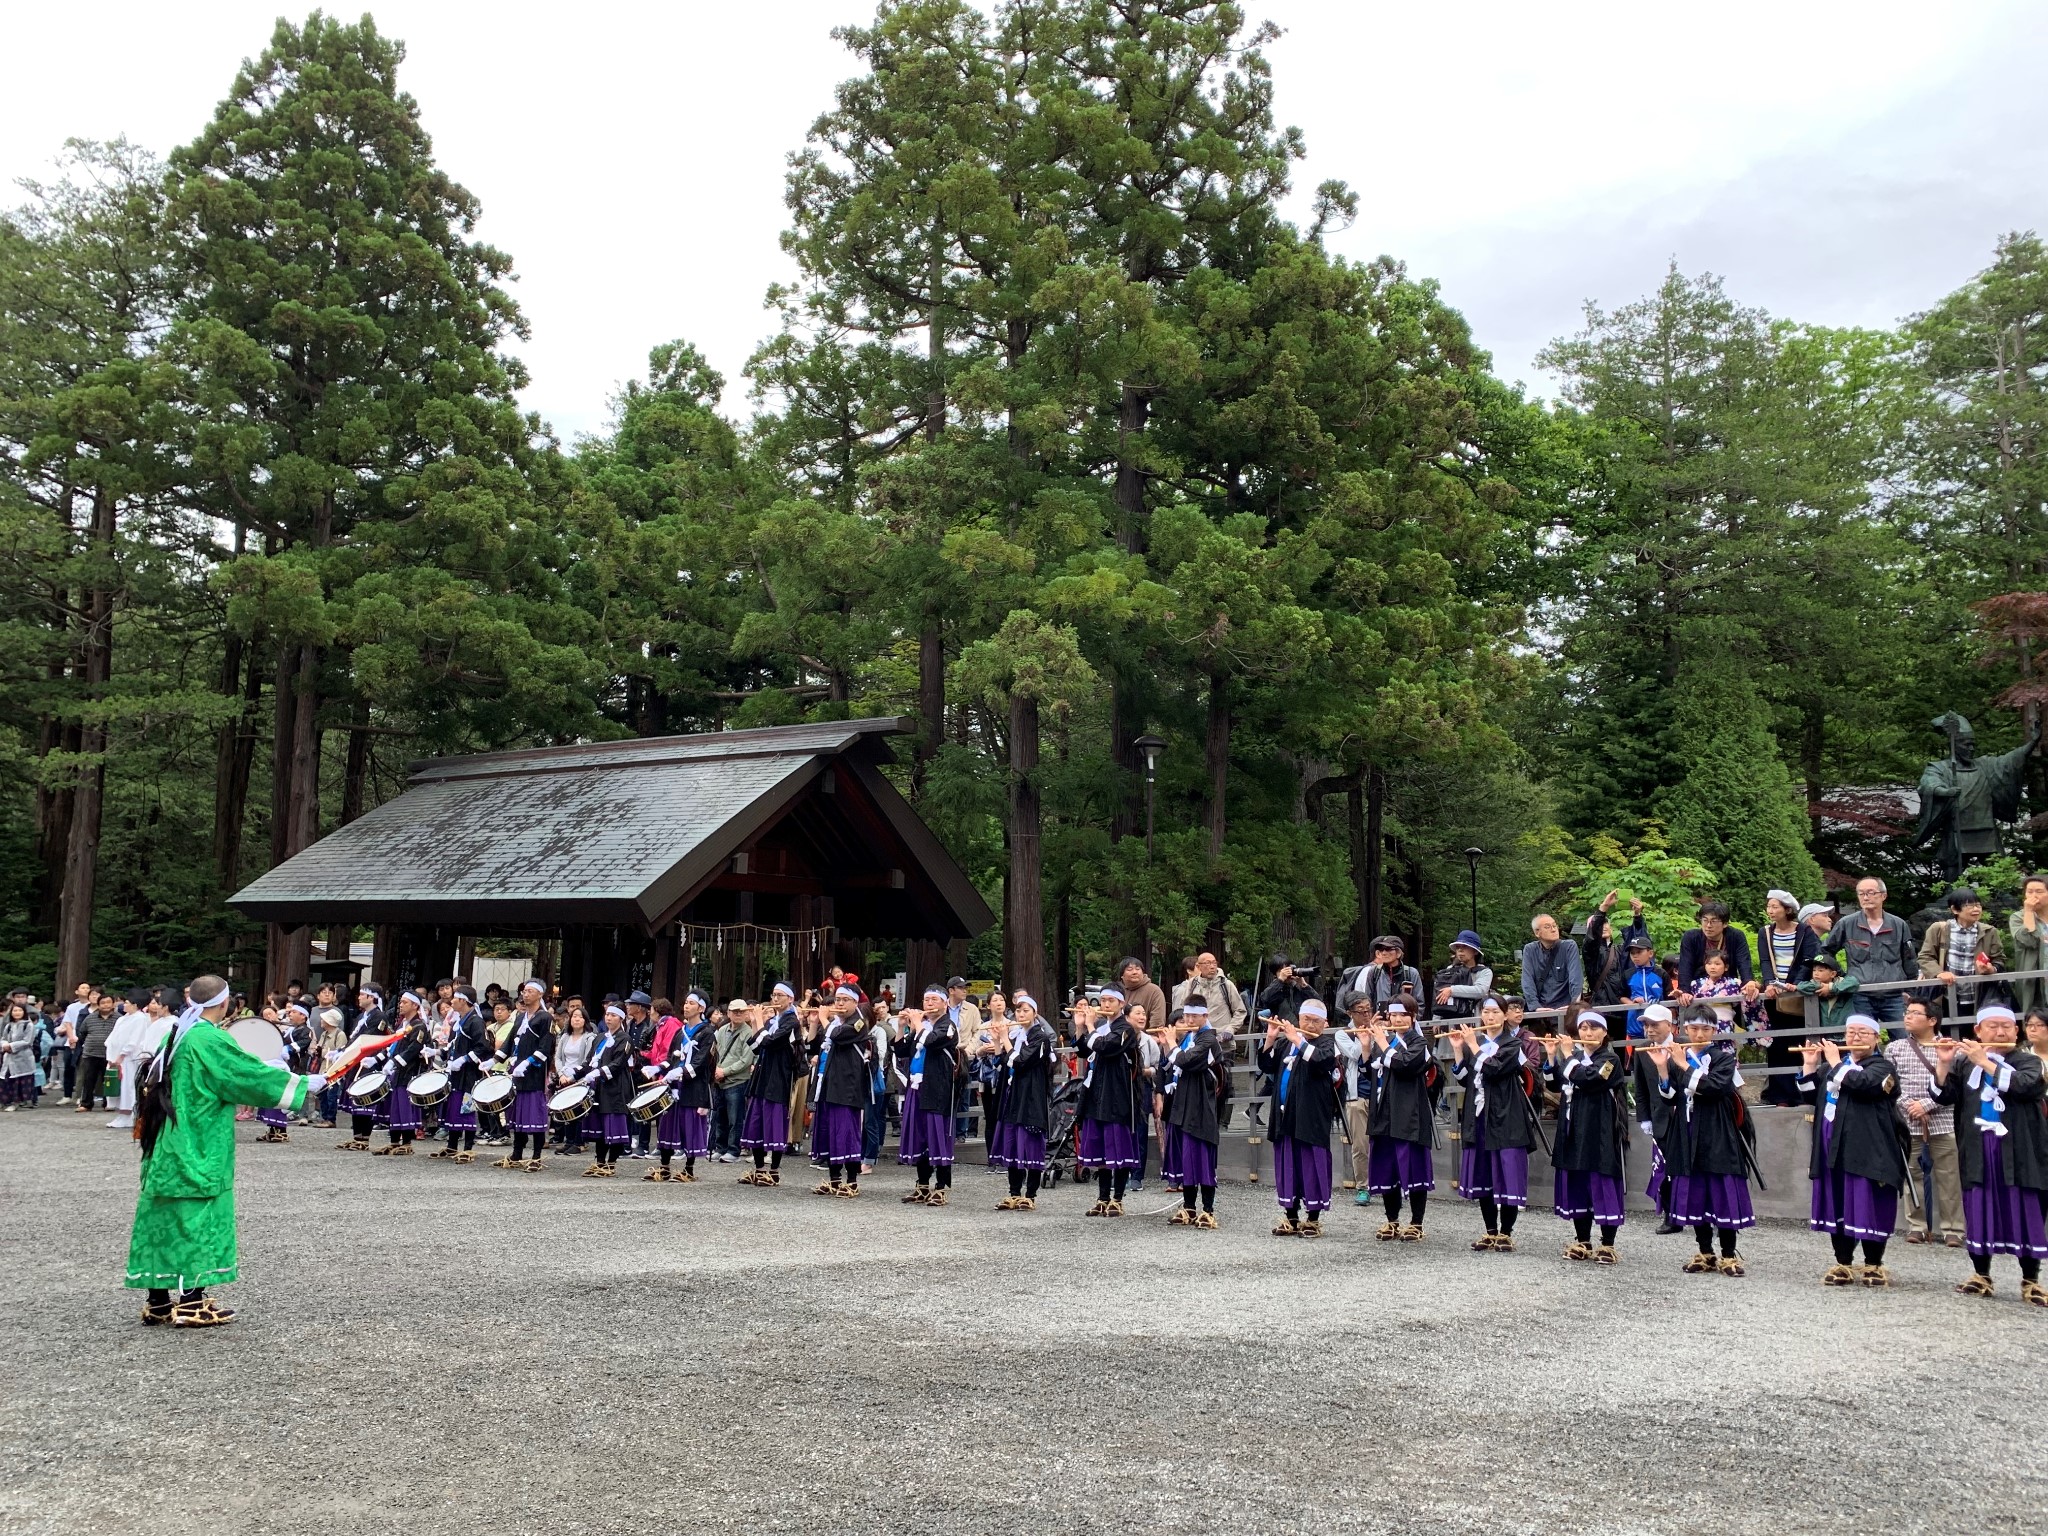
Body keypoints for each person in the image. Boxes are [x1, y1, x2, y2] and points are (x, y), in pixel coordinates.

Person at [126, 975, 325, 1327]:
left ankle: (157, 1301)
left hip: (167, 1138)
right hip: (198, 1141)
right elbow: (244, 1077)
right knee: (196, 1218)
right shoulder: (209, 1039)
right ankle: (191, 1303)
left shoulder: (179, 1034)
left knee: (162, 1218)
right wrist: (303, 1084)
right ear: (225, 1002)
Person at [1932, 1002, 2048, 1304]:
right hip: (1978, 1146)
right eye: (1992, 1026)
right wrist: (1944, 1064)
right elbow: (1944, 1096)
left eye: (2006, 1026)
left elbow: (2026, 1086)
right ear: (1978, 1031)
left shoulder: (2028, 1061)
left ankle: (2030, 1279)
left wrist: (1986, 1061)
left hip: (2018, 1148)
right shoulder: (1964, 1062)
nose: (1999, 1031)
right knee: (1979, 1205)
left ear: (2016, 1030)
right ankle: (1981, 1274)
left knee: (2024, 1207)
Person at [1796, 1015, 1907, 1288]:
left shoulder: (1883, 1067)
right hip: (1831, 1148)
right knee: (1838, 1204)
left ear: (1875, 1038)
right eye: (1850, 1032)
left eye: (1863, 1033)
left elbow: (1866, 1085)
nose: (1855, 1038)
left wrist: (1834, 1063)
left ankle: (1873, 1264)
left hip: (1869, 1149)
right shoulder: (1831, 1069)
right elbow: (1810, 1096)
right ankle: (1843, 1262)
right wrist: (1810, 1065)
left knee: (1870, 1202)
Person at [1652, 1003, 1756, 1277]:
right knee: (1695, 1190)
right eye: (1694, 1028)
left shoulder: (1723, 1057)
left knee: (1721, 1190)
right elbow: (1671, 1097)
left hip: (1717, 1130)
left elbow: (1714, 1088)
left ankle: (1729, 1255)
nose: (1699, 1033)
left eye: (1705, 1029)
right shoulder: (1678, 1056)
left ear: (1714, 1030)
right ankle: (1705, 1251)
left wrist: (1683, 1064)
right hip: (1687, 1130)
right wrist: (1663, 1070)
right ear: (1685, 1029)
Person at [1448, 996, 1540, 1252]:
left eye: (1495, 1012)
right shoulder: (1474, 1042)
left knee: (1507, 1171)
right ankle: (1490, 1231)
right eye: (1486, 1012)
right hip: (1479, 1114)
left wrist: (1473, 1047)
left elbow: (1495, 1069)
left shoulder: (1513, 1043)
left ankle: (1506, 1232)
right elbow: (1466, 1077)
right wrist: (1458, 1049)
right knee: (1484, 1172)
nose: (1490, 1017)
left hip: (1507, 1115)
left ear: (1505, 1015)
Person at [1544, 1006, 1627, 1264]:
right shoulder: (1576, 1056)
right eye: (1583, 1027)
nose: (1588, 1032)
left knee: (1601, 1183)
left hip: (1599, 1130)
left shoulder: (1610, 1060)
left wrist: (1567, 1055)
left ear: (1604, 1033)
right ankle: (1583, 1240)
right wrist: (1550, 1058)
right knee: (1577, 1181)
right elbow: (1554, 1083)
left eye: (1594, 1028)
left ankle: (1608, 1244)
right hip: (1573, 1129)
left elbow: (1589, 1079)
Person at [1259, 998, 1344, 1237]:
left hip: (1311, 1116)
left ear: (1325, 1023)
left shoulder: (1328, 1045)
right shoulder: (1286, 1044)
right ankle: (1291, 1217)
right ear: (1299, 1019)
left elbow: (1321, 1062)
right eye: (1306, 1019)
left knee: (1311, 1164)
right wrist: (1271, 1038)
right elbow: (1265, 1065)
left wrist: (1298, 1039)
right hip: (1285, 1113)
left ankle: (1313, 1219)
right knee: (1288, 1163)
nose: (1310, 1024)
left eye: (1316, 1021)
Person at [1884, 999, 1965, 1248]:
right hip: (1908, 1121)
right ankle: (1917, 1226)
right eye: (1906, 1012)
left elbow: (1956, 1087)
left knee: (1949, 1176)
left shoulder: (1952, 1048)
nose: (1907, 1016)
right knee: (1912, 1175)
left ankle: (1953, 1229)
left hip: (1943, 1120)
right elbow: (1891, 1084)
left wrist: (1927, 1105)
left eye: (1915, 1013)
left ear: (1932, 1020)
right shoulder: (1895, 1048)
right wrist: (1911, 1105)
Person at [1363, 1000, 1438, 1242]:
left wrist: (1382, 1043)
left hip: (1409, 1114)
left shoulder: (1419, 1042)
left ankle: (1417, 1222)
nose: (1398, 1020)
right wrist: (1367, 1047)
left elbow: (1404, 1065)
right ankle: (1392, 1220)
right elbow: (1373, 1073)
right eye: (1394, 1015)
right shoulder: (1386, 1040)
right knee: (1387, 1168)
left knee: (1414, 1167)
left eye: (1404, 1015)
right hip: (1383, 1111)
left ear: (1414, 1016)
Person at [1160, 1001, 1227, 1229]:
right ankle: (1189, 1208)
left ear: (1205, 1016)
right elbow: (1171, 1066)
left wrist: (1171, 1043)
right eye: (1186, 1016)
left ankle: (1208, 1210)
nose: (1188, 1020)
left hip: (1201, 1106)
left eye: (1193, 1016)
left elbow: (1187, 1061)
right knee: (1186, 1158)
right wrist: (1167, 1045)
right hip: (1183, 1104)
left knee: (1201, 1157)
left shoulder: (1208, 1038)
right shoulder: (1190, 1037)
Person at [1077, 992, 1143, 1217]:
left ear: (1121, 1004)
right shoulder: (1103, 1028)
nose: (1105, 1005)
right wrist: (1081, 1028)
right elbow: (1085, 1050)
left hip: (1118, 1097)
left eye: (1110, 1001)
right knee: (1102, 1151)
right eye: (1103, 1001)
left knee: (1119, 1149)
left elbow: (1105, 1046)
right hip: (1097, 1094)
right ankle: (1102, 1198)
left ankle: (1117, 1199)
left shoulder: (1125, 1028)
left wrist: (1091, 1026)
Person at [1821, 877, 1917, 1025]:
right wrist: (1841, 976)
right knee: (1862, 1040)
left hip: (1894, 995)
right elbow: (1826, 952)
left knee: (1904, 1038)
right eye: (1861, 893)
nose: (1866, 897)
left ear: (1883, 896)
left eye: (1871, 893)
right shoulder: (1847, 924)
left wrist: (1910, 991)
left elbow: (1909, 960)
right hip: (1860, 995)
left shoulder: (1899, 925)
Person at [992, 994, 1056, 1212]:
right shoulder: (1016, 1035)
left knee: (1030, 1144)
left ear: (1035, 1013)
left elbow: (1020, 1062)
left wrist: (1006, 1040)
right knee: (1012, 1144)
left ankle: (1030, 1195)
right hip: (1013, 1095)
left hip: (1031, 1097)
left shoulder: (1041, 1038)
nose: (1021, 1014)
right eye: (1018, 1011)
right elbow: (1005, 1062)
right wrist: (997, 1042)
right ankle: (1013, 1192)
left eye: (1026, 1010)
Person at [1756, 890, 1819, 1105]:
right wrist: (1769, 983)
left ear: (1787, 909)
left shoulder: (1805, 931)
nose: (1771, 911)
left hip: (1797, 993)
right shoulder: (1765, 932)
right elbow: (1765, 960)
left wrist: (1795, 984)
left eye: (1775, 907)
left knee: (1800, 1042)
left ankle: (1803, 1092)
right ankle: (1780, 1095)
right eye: (1769, 907)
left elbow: (1808, 961)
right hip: (1774, 995)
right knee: (1777, 1045)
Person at [895, 998, 959, 1207]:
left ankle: (940, 1188)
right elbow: (902, 1051)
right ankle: (922, 1185)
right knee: (919, 1134)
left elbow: (932, 1041)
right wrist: (902, 1026)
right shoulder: (922, 1027)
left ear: (945, 1004)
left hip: (936, 1088)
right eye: (925, 1000)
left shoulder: (947, 1025)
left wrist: (918, 1023)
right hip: (916, 1086)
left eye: (934, 1000)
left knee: (937, 1135)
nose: (928, 1003)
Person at [809, 986, 873, 1197]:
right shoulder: (837, 1022)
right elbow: (817, 1044)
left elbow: (838, 1036)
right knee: (830, 1132)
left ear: (855, 1002)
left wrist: (824, 1019)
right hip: (830, 1083)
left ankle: (852, 1182)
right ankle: (835, 1180)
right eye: (837, 999)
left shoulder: (859, 1021)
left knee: (846, 1132)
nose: (840, 1004)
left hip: (848, 1086)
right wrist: (815, 1022)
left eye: (845, 999)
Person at [740, 983, 803, 1187]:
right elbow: (757, 1047)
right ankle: (759, 1170)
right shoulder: (773, 1020)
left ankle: (774, 1171)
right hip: (762, 1074)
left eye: (780, 995)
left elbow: (772, 1042)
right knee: (756, 1120)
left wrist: (759, 1020)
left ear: (790, 999)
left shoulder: (791, 1021)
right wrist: (755, 1024)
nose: (775, 999)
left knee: (774, 1121)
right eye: (773, 995)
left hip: (779, 1075)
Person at [653, 999, 716, 1184]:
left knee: (689, 1125)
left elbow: (702, 1061)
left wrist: (681, 1071)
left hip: (694, 1085)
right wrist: (659, 1068)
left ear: (701, 1008)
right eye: (685, 1002)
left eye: (691, 1003)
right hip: (674, 1085)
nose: (686, 1006)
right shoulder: (680, 1032)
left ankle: (688, 1169)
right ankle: (664, 1168)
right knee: (667, 1123)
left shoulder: (707, 1033)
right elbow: (672, 1056)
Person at [1919, 885, 2006, 1017]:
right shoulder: (1939, 929)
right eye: (1969, 906)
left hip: (1978, 995)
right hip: (1946, 993)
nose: (1976, 909)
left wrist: (1990, 969)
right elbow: (1925, 956)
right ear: (1955, 909)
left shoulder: (1989, 931)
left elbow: (1999, 960)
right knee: (1948, 1033)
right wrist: (1939, 973)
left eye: (1978, 905)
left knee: (1975, 1033)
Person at [495, 980, 555, 1172]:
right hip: (517, 1072)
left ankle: (536, 1155)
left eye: (529, 991)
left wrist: (528, 1062)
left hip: (534, 1074)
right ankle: (517, 1152)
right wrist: (496, 1058)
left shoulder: (545, 1018)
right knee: (517, 1113)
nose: (525, 995)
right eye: (524, 991)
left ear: (539, 995)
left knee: (534, 1114)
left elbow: (546, 1046)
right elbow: (510, 1042)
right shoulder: (520, 1018)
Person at [432, 986, 493, 1164]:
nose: (451, 1001)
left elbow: (483, 1047)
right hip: (457, 1073)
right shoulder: (459, 1021)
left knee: (466, 1109)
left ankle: (468, 1148)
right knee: (454, 1107)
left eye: (455, 998)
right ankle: (452, 1146)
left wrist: (464, 1059)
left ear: (464, 1001)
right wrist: (437, 1052)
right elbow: (453, 1046)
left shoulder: (475, 1021)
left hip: (469, 1073)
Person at [369, 992, 429, 1156]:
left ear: (415, 1006)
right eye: (400, 1002)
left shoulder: (419, 1026)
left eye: (404, 1002)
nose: (400, 1005)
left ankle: (407, 1142)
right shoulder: (403, 1024)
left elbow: (413, 1049)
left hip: (409, 1072)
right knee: (394, 1106)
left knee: (405, 1105)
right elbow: (392, 1046)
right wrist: (377, 1059)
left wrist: (395, 1062)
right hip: (398, 1071)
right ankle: (394, 1141)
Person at [577, 1006, 634, 1177]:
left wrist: (599, 1072)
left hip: (616, 1088)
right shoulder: (600, 1037)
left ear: (621, 1019)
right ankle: (600, 1161)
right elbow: (589, 1060)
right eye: (607, 1014)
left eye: (613, 1015)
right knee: (600, 1126)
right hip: (598, 1087)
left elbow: (618, 1063)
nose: (609, 1018)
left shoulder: (625, 1039)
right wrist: (576, 1071)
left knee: (614, 1127)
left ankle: (611, 1164)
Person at [1675, 900, 1755, 1000]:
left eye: (1714, 921)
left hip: (1727, 989)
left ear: (1725, 923)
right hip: (1698, 990)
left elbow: (1744, 962)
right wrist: (1684, 990)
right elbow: (1685, 965)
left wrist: (1748, 981)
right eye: (1705, 920)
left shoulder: (1736, 936)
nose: (1708, 925)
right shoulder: (1691, 937)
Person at [255, 1001, 310, 1142]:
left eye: (294, 1012)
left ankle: (281, 1130)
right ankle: (273, 1129)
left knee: (282, 1099)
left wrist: (289, 1049)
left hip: (293, 1067)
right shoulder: (291, 1029)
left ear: (303, 1016)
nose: (290, 1014)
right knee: (275, 1097)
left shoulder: (305, 1030)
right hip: (281, 1066)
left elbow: (304, 1043)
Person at [1583, 892, 1650, 1006]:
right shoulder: (1591, 952)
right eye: (1600, 925)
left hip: (1626, 1004)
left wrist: (1637, 915)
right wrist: (1604, 907)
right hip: (1602, 1007)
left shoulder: (1620, 949)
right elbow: (1592, 937)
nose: (1603, 927)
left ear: (1611, 927)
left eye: (1606, 923)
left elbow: (1640, 942)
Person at [712, 998, 756, 1162]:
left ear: (746, 1013)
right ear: (728, 1013)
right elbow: (714, 1052)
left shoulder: (749, 1032)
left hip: (737, 1080)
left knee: (735, 1118)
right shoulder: (721, 1030)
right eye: (734, 1011)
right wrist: (715, 1070)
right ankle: (720, 1147)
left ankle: (733, 1149)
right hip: (720, 1080)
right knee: (720, 1116)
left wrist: (724, 1071)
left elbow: (746, 1060)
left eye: (741, 1011)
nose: (738, 1014)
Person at [1518, 915, 1584, 1018]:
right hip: (1540, 1010)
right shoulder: (1530, 950)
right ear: (1537, 933)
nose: (1553, 929)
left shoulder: (1569, 946)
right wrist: (1535, 1006)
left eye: (1554, 925)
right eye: (1547, 927)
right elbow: (1527, 980)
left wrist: (1574, 1004)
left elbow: (1575, 977)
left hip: (1565, 1008)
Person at [1339, 937, 1422, 1018]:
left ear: (1398, 953)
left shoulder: (1411, 973)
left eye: (1388, 949)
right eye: (1381, 949)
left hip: (1404, 1024)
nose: (1384, 952)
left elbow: (1419, 1004)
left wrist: (1412, 1022)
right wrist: (1372, 1021)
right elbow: (1368, 1001)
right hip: (1380, 1025)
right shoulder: (1374, 972)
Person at [1172, 951, 1248, 1034]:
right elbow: (1183, 1008)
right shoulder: (1192, 984)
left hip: (1222, 1038)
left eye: (1214, 963)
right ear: (1198, 966)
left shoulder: (1226, 985)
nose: (1212, 967)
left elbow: (1240, 1011)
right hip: (1197, 1038)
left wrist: (1230, 1029)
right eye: (1207, 963)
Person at [2009, 873, 2048, 1018]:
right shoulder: (2018, 917)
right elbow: (2028, 941)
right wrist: (2029, 912)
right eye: (2029, 892)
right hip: (2034, 979)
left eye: (2039, 891)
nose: (2033, 896)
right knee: (2036, 1019)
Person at [73, 990, 117, 1114]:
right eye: (103, 1003)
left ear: (113, 1004)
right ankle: (86, 1103)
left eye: (109, 1002)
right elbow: (82, 1032)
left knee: (108, 1080)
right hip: (90, 1053)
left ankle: (108, 1103)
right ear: (98, 1005)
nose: (106, 1005)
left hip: (109, 1054)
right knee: (88, 1079)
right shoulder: (90, 1018)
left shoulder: (119, 1019)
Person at [1433, 932, 1493, 1019]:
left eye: (1465, 947)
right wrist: (1437, 1019)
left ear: (1475, 951)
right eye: (1458, 947)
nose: (1460, 950)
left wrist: (1452, 990)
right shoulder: (1450, 969)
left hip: (1474, 1019)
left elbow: (1480, 990)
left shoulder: (1484, 972)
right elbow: (1441, 993)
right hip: (1449, 1019)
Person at [2, 995, 39, 1110]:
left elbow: (27, 1041)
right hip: (8, 1057)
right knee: (6, 1079)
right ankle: (5, 1101)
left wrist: (12, 1046)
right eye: (14, 1010)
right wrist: (4, 1045)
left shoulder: (28, 1025)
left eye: (19, 1010)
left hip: (23, 1058)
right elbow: (3, 1038)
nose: (17, 1013)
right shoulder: (8, 1025)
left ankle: (16, 1102)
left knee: (19, 1080)